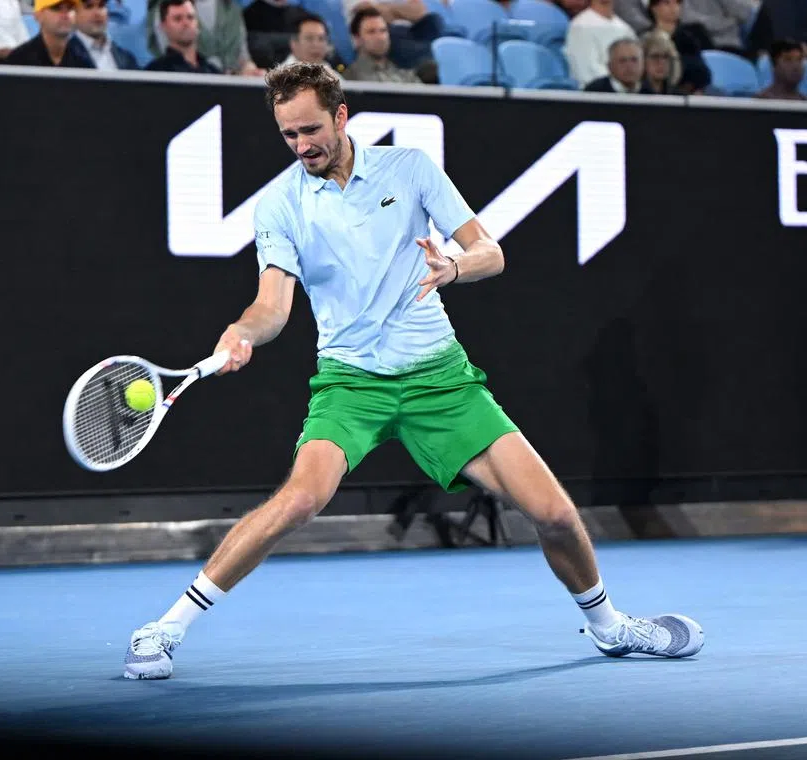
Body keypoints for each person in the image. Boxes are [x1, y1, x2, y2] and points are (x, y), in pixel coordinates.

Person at [122, 61, 705, 681]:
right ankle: (163, 628)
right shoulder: (280, 206)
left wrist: (452, 268)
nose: (301, 146)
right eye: (288, 135)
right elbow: (272, 305)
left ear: (341, 115)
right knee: (298, 501)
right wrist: (242, 333)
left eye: (310, 130)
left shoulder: (412, 169)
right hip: (351, 384)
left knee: (557, 514)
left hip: (440, 380)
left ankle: (610, 628)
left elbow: (491, 253)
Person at [145, 0, 222, 73]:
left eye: (190, 17)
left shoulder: (213, 71)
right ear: (163, 26)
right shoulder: (156, 71)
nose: (186, 23)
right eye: (177, 19)